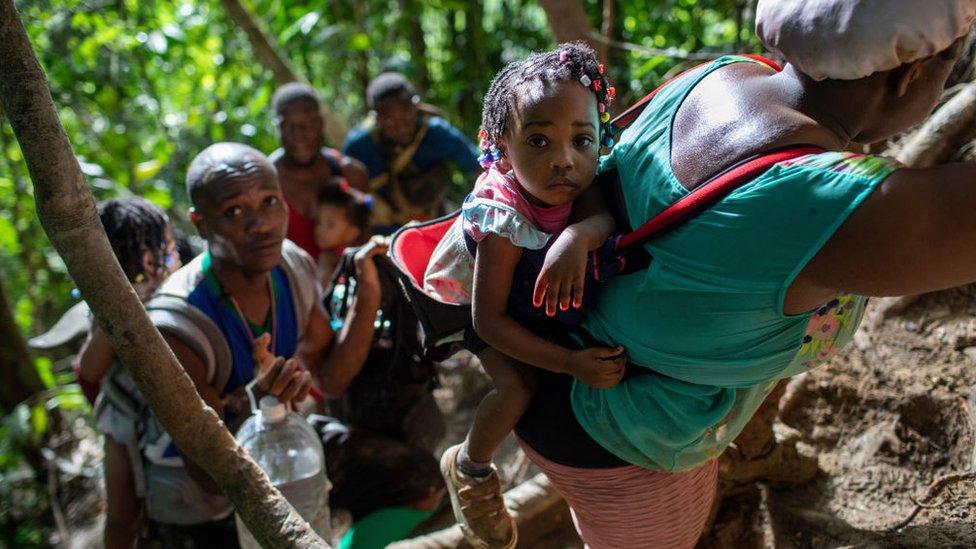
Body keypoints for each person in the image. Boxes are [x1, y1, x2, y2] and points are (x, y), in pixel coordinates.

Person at [499, 2, 976, 547]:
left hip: (548, 370)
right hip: (623, 444)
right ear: (911, 74)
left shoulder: (720, 75)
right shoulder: (829, 209)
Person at [423, 43, 625, 549]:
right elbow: (489, 321)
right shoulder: (502, 219)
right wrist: (569, 362)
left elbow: (600, 216)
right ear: (502, 148)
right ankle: (470, 468)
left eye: (582, 139)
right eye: (538, 141)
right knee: (518, 388)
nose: (563, 160)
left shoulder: (582, 173)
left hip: (528, 292)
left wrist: (577, 238)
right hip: (478, 305)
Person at [133, 142, 383, 546]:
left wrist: (369, 294)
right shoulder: (177, 325)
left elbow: (333, 378)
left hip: (282, 450)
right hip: (204, 507)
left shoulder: (291, 265)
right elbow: (210, 475)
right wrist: (258, 401)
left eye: (270, 202)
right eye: (234, 212)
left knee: (416, 481)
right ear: (200, 223)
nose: (261, 224)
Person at [76, 198, 181, 549]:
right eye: (159, 249)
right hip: (125, 415)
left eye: (167, 246)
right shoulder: (107, 301)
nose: (170, 254)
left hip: (176, 412)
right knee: (123, 517)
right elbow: (91, 368)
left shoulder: (181, 287)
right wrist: (121, 303)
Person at [343, 72, 481, 234]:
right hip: (383, 235)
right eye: (391, 120)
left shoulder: (436, 133)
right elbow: (344, 194)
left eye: (407, 113)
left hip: (435, 223)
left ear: (416, 106)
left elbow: (479, 168)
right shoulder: (359, 146)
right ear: (377, 118)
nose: (402, 126)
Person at [269, 82, 370, 260]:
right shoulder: (264, 184)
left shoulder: (351, 173)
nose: (299, 134)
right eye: (289, 126)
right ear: (278, 128)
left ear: (321, 123)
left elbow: (366, 246)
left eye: (308, 123)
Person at [314, 183, 371, 287]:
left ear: (352, 232)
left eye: (330, 225)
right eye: (318, 221)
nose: (319, 229)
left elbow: (320, 292)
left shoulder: (327, 259)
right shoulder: (366, 255)